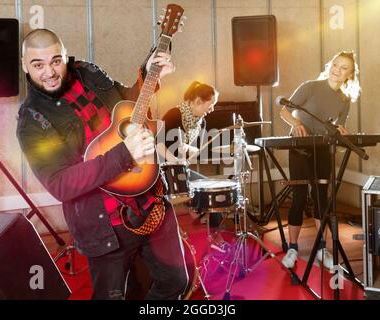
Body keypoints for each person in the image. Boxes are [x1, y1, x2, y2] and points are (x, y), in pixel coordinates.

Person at [16, 28, 188, 299]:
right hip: (105, 226)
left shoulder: (89, 71)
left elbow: (128, 104)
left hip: (150, 201)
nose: (49, 72)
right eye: (38, 65)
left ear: (65, 56)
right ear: (25, 65)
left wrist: (149, 75)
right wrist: (123, 154)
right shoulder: (32, 121)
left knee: (176, 282)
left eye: (56, 61)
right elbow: (60, 184)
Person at [279, 51, 361, 269]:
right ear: (330, 65)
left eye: (344, 68)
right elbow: (284, 111)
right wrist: (295, 124)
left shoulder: (344, 100)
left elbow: (337, 127)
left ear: (349, 75)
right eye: (336, 64)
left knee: (321, 198)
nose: (337, 70)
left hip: (323, 150)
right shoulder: (310, 87)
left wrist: (341, 132)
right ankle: (293, 248)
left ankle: (322, 247)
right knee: (298, 197)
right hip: (300, 148)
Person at [159, 81, 228, 253]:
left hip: (180, 170)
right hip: (162, 170)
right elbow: (158, 144)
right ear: (197, 101)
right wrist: (175, 160)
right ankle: (199, 214)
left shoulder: (200, 122)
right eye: (210, 105)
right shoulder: (174, 114)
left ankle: (214, 237)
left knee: (211, 190)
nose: (211, 109)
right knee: (206, 192)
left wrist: (193, 150)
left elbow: (183, 146)